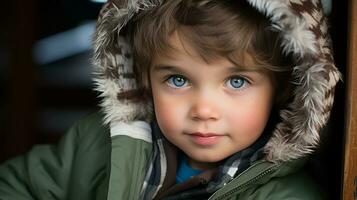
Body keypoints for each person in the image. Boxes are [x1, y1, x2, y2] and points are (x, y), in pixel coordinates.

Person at [0, 0, 341, 199]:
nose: (204, 111)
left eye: (236, 81)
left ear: (284, 88)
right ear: (143, 80)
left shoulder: (289, 195)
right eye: (177, 80)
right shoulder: (97, 145)